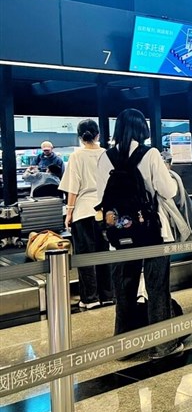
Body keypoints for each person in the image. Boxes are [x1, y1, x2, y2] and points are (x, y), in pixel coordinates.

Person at [95, 108, 182, 359]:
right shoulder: (151, 154)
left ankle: (124, 347)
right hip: (152, 232)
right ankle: (162, 346)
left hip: (120, 234)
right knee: (157, 289)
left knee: (124, 290)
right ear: (141, 129)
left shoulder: (105, 158)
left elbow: (103, 197)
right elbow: (168, 191)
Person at [59, 119, 113, 310]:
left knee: (85, 255)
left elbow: (73, 186)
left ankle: (90, 298)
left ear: (80, 137)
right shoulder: (106, 154)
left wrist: (69, 212)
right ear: (98, 135)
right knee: (103, 253)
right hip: (103, 211)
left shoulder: (77, 156)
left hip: (83, 211)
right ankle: (108, 295)